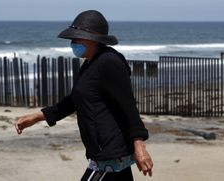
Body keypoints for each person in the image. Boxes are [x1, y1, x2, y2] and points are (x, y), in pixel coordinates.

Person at [15, 10, 153, 181]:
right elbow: (72, 101)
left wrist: (139, 145)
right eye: (72, 38)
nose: (73, 43)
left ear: (94, 38)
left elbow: (128, 105)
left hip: (110, 153)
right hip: (103, 153)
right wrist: (36, 117)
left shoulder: (109, 62)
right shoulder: (89, 64)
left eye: (77, 38)